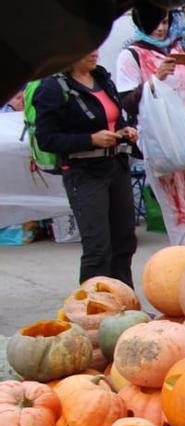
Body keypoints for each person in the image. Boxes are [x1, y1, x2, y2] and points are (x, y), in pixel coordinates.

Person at [33, 50, 138, 285]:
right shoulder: (52, 88)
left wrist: (123, 131)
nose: (95, 54)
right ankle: (94, 309)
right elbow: (47, 139)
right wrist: (90, 139)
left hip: (116, 166)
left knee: (124, 242)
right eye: (86, 49)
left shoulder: (102, 79)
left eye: (97, 47)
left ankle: (125, 304)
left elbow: (114, 118)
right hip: (84, 173)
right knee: (98, 247)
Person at [116, 10, 185, 246]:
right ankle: (182, 271)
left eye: (164, 22)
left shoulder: (184, 51)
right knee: (179, 217)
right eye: (154, 23)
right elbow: (128, 104)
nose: (160, 29)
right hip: (163, 144)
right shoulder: (131, 55)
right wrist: (154, 81)